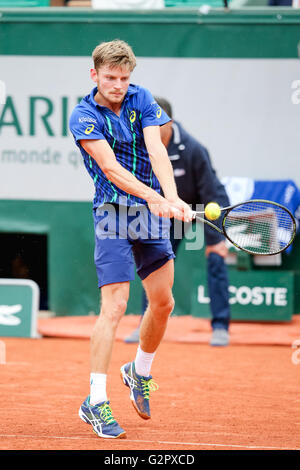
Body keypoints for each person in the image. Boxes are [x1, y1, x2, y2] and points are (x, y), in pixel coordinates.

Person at [69, 40, 192, 439]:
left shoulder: (143, 100)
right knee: (116, 305)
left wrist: (171, 197)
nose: (118, 85)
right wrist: (158, 198)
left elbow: (157, 150)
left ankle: (138, 371)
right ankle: (96, 400)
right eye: (110, 78)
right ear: (95, 75)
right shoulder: (83, 115)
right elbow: (112, 169)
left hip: (149, 215)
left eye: (124, 78)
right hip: (112, 216)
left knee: (163, 302)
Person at [125, 97, 231, 347]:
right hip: (171, 211)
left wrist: (216, 240)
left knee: (216, 258)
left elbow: (211, 192)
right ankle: (145, 322)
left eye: (153, 124)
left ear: (168, 122)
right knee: (153, 262)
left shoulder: (193, 149)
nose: (148, 130)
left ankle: (220, 326)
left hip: (205, 208)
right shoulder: (142, 148)